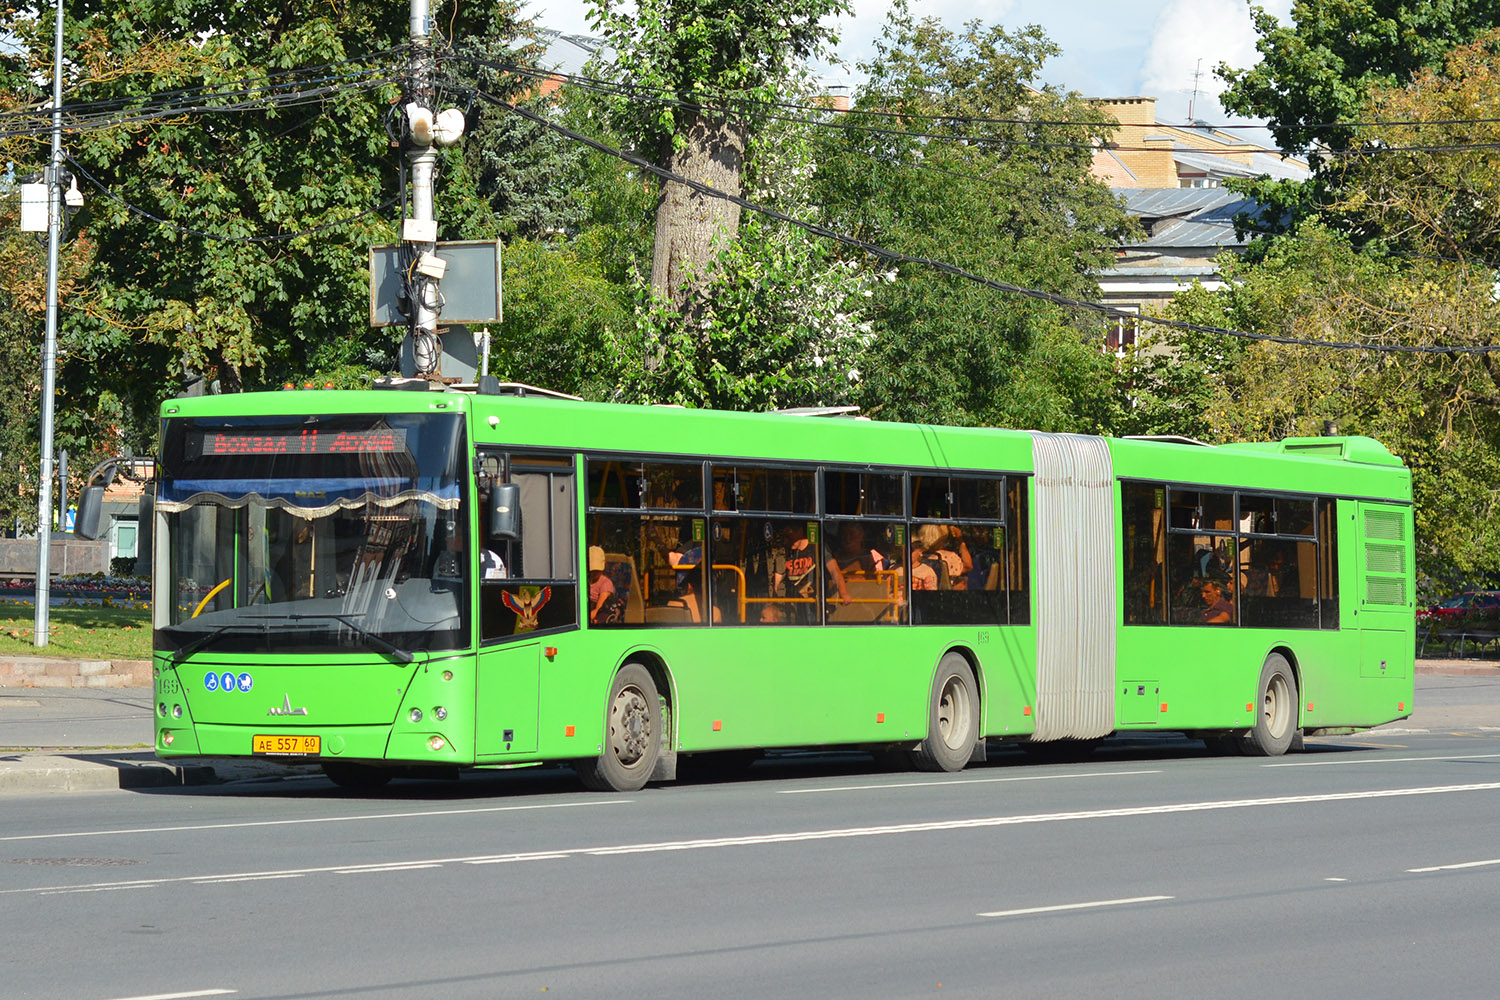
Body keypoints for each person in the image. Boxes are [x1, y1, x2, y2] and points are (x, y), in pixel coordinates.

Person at [587, 545, 619, 624]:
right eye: (592, 570)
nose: (594, 572)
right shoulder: (586, 580)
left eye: (597, 570)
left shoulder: (605, 584)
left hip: (599, 613)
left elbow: (598, 609)